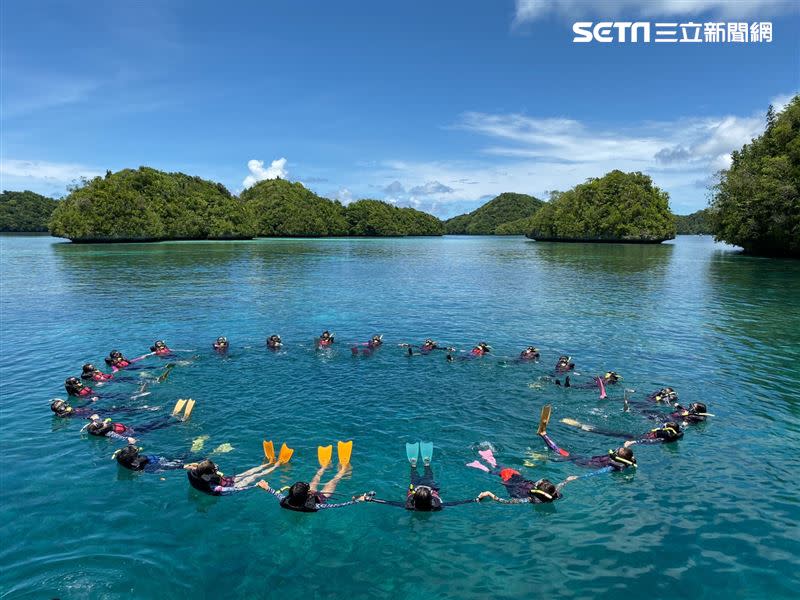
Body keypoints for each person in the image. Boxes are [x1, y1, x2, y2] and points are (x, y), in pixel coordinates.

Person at [364, 442, 477, 511]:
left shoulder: (411, 506)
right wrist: (475, 499)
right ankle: (415, 466)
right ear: (430, 498)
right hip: (420, 486)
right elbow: (456, 503)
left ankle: (424, 465)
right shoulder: (435, 507)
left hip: (428, 487)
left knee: (428, 476)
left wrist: (370, 499)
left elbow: (389, 502)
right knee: (415, 477)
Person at [258, 440, 359, 511]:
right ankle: (341, 468)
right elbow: (338, 505)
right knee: (331, 481)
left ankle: (325, 468)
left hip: (307, 499)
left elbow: (276, 494)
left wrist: (266, 488)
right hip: (321, 498)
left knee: (326, 481)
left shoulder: (285, 502)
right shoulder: (314, 506)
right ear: (308, 494)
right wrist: (358, 500)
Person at [536, 405, 639, 474]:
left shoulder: (614, 466)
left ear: (619, 456)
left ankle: (543, 436)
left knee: (562, 454)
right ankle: (544, 441)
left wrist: (577, 477)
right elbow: (627, 455)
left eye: (619, 451)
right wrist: (626, 445)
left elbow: (598, 473)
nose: (616, 450)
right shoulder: (624, 458)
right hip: (587, 458)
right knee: (563, 453)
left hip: (583, 463)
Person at [466, 447, 578, 504]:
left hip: (509, 480)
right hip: (516, 477)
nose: (538, 481)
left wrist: (490, 494)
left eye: (538, 483)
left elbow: (507, 502)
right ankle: (489, 461)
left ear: (537, 489)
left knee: (497, 471)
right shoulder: (551, 495)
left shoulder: (528, 499)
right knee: (500, 469)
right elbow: (558, 486)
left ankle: (482, 464)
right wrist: (567, 480)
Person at [83, 398, 196, 444]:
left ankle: (171, 415)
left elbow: (96, 416)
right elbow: (119, 437)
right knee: (157, 427)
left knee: (153, 422)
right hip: (134, 433)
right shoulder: (108, 432)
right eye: (96, 423)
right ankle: (179, 421)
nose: (97, 421)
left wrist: (93, 418)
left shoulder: (102, 424)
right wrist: (129, 439)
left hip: (133, 428)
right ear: (99, 428)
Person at [189, 456, 286, 496]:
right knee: (253, 476)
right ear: (207, 475)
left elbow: (197, 466)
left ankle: (268, 464)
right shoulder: (215, 488)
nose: (216, 471)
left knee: (247, 473)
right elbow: (235, 489)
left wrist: (215, 472)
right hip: (231, 486)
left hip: (223, 480)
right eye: (213, 472)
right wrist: (255, 485)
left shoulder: (194, 471)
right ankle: (275, 466)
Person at [114, 444, 197, 473]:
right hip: (160, 464)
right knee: (182, 459)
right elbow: (163, 467)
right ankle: (195, 451)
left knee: (180, 457)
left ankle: (192, 451)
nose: (138, 451)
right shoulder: (144, 467)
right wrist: (183, 467)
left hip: (157, 460)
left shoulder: (121, 457)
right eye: (136, 453)